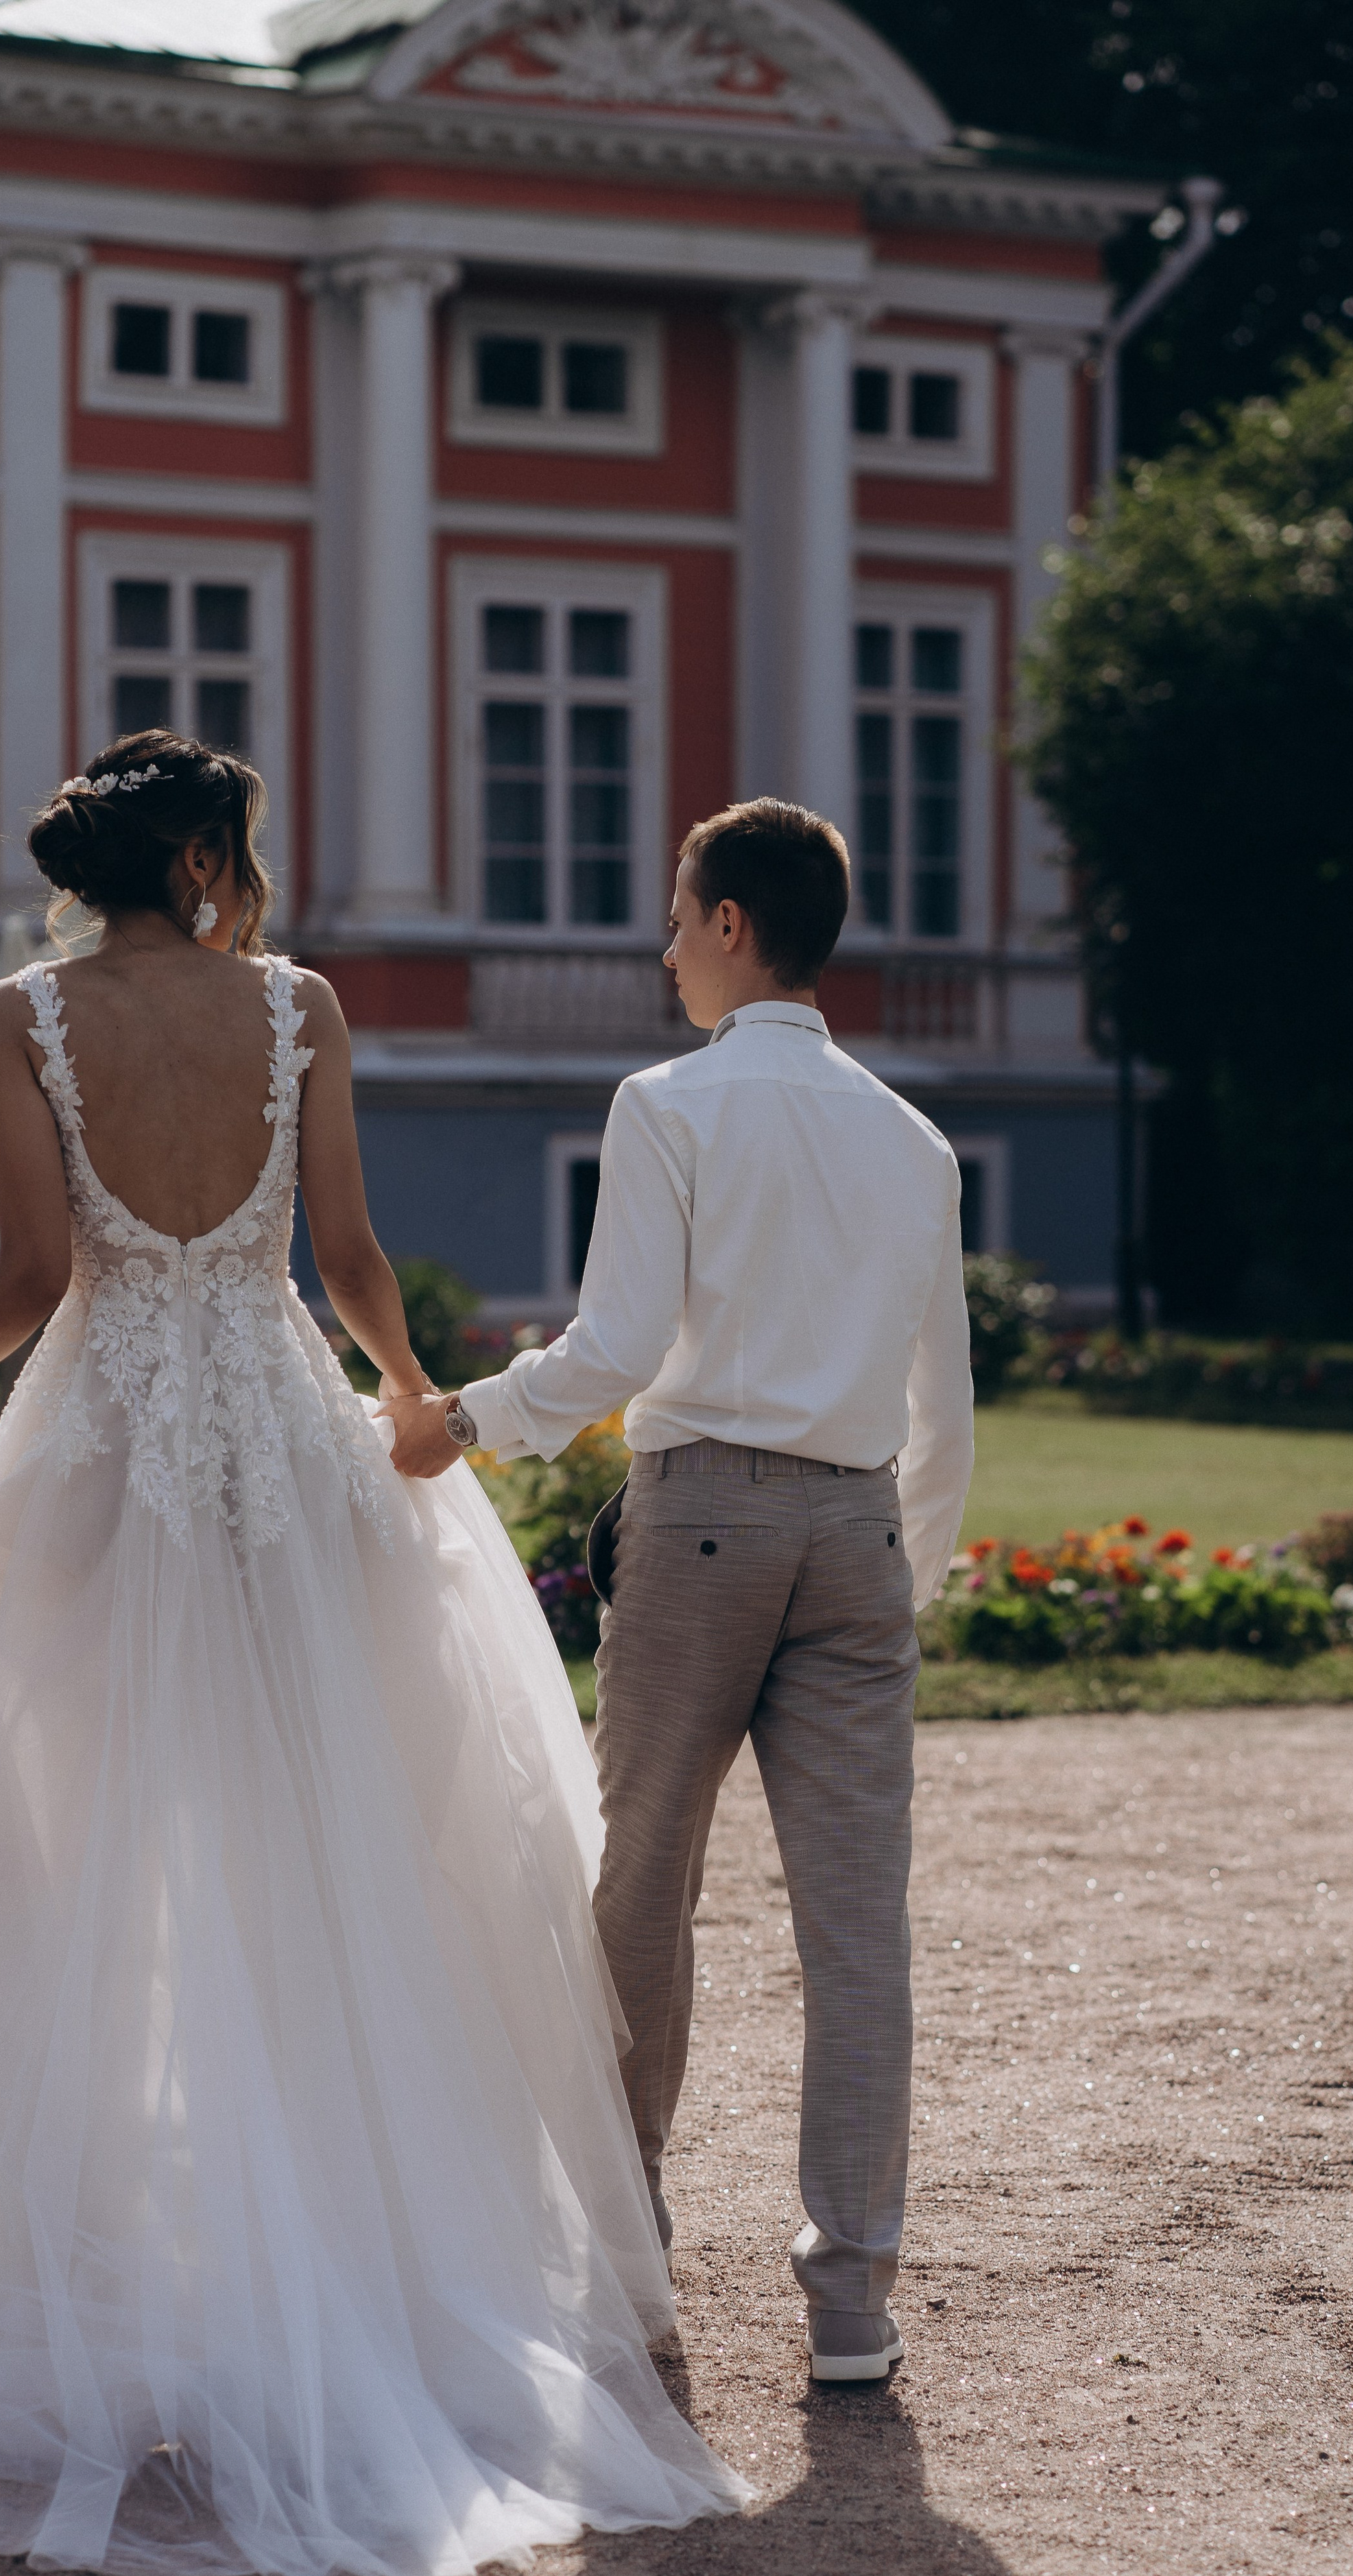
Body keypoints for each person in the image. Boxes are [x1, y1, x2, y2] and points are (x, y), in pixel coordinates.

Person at [0, 731, 745, 2576]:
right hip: (276, 1444)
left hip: (106, 1442)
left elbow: (35, 1277)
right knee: (310, 1859)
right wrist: (415, 1392)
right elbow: (344, 1251)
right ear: (201, 852)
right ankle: (342, 2286)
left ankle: (102, 2284)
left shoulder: (16, 1015)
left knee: (98, 1865)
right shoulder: (301, 1007)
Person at [389, 798, 974, 2387]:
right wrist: (885, 1567)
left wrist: (460, 1422)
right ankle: (851, 2303)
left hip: (706, 1521)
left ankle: (625, 2252)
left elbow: (615, 1353)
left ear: (729, 926)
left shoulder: (666, 1103)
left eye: (672, 915)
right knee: (858, 1937)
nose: (661, 949)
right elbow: (945, 1416)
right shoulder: (914, 1140)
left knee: (641, 1882)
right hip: (858, 1542)